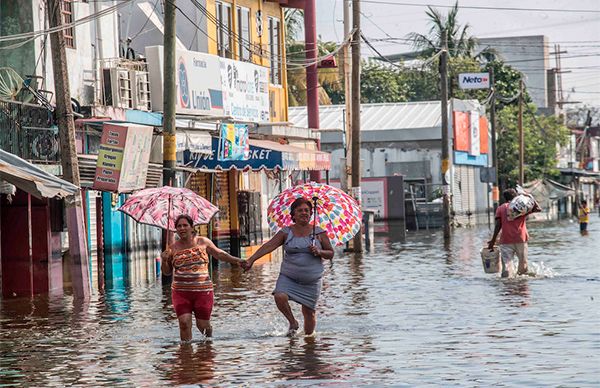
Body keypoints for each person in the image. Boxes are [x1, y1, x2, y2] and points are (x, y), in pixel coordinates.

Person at [242, 197, 334, 336]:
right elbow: (269, 245)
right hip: (288, 277)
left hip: (312, 281)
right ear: (293, 214)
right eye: (300, 210)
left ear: (311, 214)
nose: (304, 213)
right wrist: (251, 260)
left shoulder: (319, 232)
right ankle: (292, 321)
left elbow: (330, 253)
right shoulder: (286, 232)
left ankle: (309, 345)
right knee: (279, 296)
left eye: (307, 210)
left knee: (309, 313)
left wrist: (319, 251)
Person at [161, 214, 244, 342]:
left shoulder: (203, 242)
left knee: (203, 326)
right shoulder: (172, 249)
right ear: (176, 229)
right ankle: (186, 357)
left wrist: (237, 260)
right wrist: (165, 261)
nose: (182, 228)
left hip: (203, 292)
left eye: (185, 225)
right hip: (181, 293)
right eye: (179, 226)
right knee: (184, 323)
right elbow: (167, 273)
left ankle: (209, 342)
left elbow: (220, 254)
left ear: (191, 227)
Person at [488, 188, 541, 278]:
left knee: (507, 265)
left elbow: (498, 226)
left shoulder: (501, 208)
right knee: (523, 264)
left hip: (506, 240)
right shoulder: (521, 207)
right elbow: (538, 209)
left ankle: (508, 285)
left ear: (504, 198)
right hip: (521, 239)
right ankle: (521, 285)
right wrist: (528, 196)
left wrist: (493, 241)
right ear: (516, 196)